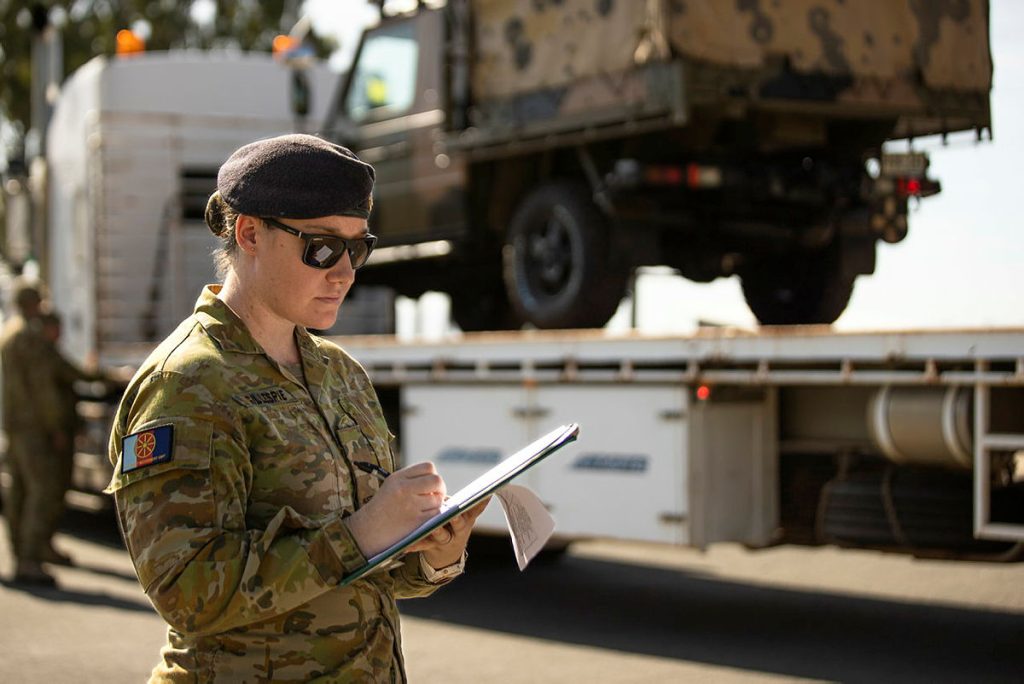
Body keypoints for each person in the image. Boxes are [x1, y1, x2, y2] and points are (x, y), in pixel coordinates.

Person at [107, 133, 486, 682]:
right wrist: (360, 535)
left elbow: (367, 575)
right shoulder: (188, 384)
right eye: (323, 247)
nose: (346, 272)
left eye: (358, 248)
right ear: (250, 233)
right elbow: (186, 593)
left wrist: (431, 553)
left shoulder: (341, 374)